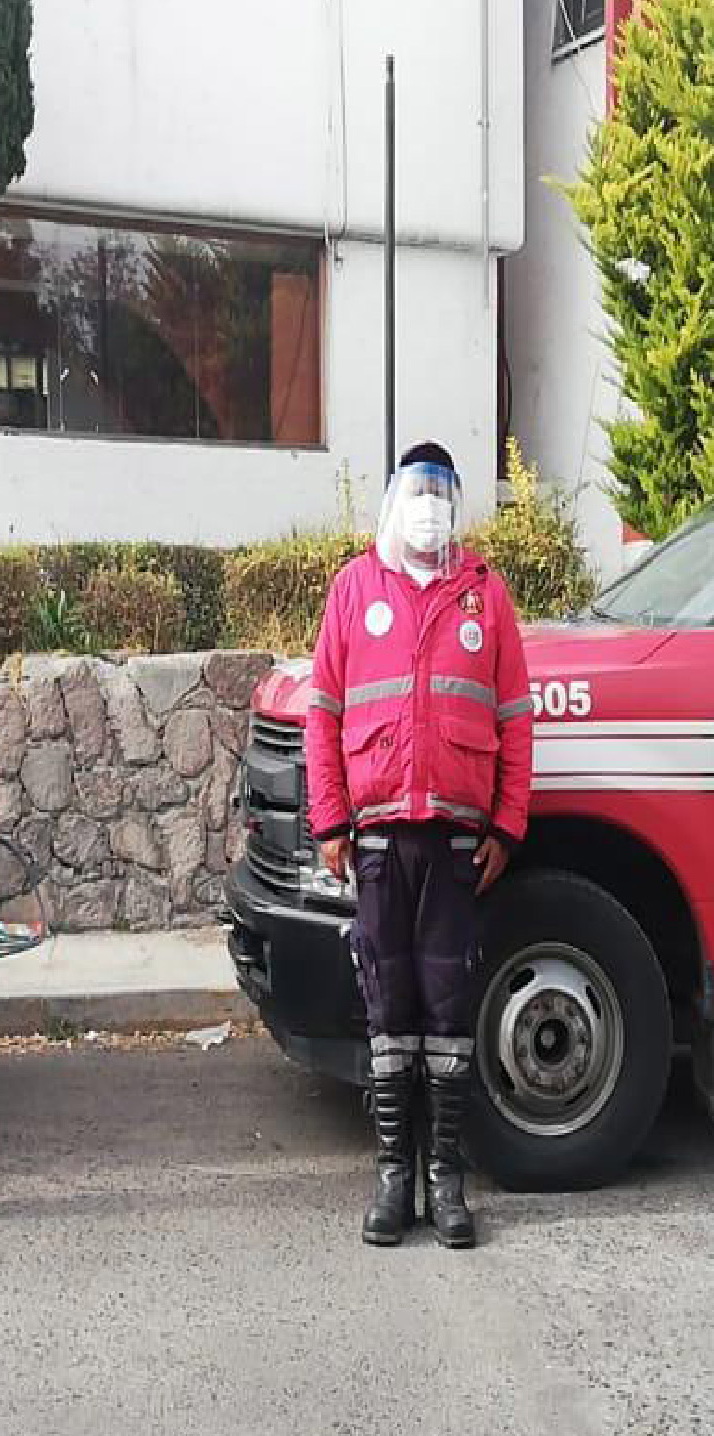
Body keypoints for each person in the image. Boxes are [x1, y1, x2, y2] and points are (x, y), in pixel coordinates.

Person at [305, 440, 531, 1249]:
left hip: (457, 844)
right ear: (394, 502)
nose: (429, 508)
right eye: (418, 493)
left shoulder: (484, 596)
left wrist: (508, 823)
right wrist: (329, 820)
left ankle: (446, 1180)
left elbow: (514, 718)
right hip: (376, 840)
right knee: (388, 1008)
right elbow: (323, 714)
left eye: (442, 494)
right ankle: (393, 1178)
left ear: (456, 505)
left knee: (447, 1008)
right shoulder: (354, 589)